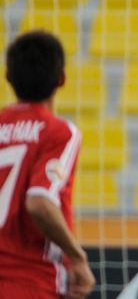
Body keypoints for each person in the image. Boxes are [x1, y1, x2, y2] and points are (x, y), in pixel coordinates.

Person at [0, 30, 95, 299]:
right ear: (62, 78)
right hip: (30, 281)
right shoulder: (59, 132)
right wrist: (77, 256)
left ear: (8, 77)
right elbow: (39, 201)